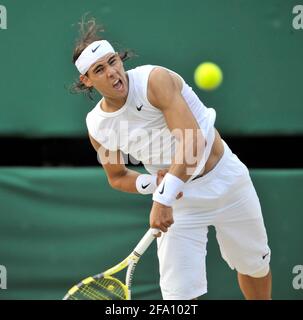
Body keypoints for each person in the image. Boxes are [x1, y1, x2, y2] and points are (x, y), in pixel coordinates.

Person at [71, 18, 272, 300]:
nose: (113, 72)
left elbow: (193, 141)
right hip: (180, 201)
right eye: (100, 69)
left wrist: (163, 197)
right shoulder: (98, 126)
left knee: (254, 266)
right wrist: (154, 184)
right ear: (87, 80)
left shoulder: (155, 80)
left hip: (226, 180)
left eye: (113, 61)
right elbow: (116, 177)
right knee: (178, 298)